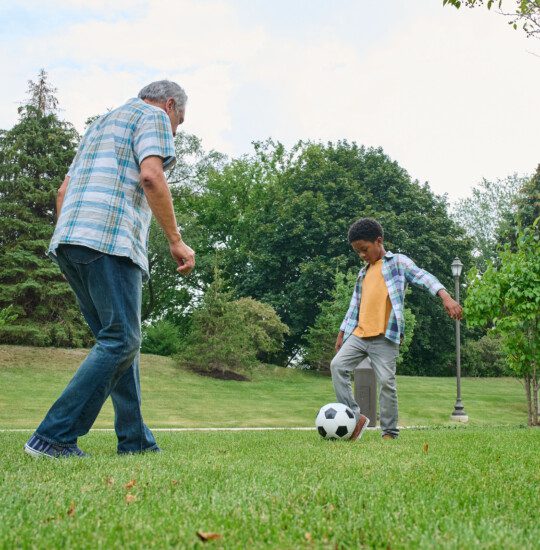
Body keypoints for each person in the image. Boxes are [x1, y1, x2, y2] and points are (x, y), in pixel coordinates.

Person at [24, 80, 195, 458]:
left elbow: (62, 192)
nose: (174, 131)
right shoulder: (151, 116)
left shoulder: (100, 125)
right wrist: (175, 240)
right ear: (169, 105)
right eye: (178, 122)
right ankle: (53, 436)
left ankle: (135, 441)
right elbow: (151, 176)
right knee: (122, 339)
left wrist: (70, 234)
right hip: (109, 240)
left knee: (119, 342)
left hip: (70, 240)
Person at [331, 218, 462, 441]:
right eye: (357, 252)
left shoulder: (397, 263)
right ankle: (355, 416)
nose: (362, 255)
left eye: (364, 249)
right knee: (337, 366)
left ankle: (389, 432)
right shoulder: (363, 274)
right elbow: (354, 306)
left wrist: (445, 296)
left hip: (385, 336)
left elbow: (423, 277)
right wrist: (343, 332)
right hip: (359, 335)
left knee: (387, 383)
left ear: (378, 241)